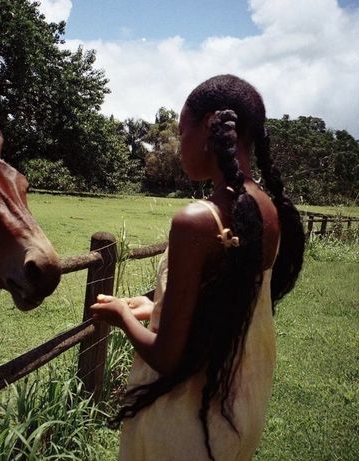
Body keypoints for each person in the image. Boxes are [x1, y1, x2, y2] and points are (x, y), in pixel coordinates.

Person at [90, 74, 305, 461]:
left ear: (208, 128)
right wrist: (153, 307)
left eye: (181, 129)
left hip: (184, 422)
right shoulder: (266, 209)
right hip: (237, 405)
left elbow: (167, 356)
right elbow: (219, 296)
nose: (179, 144)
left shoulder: (197, 220)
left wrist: (122, 314)